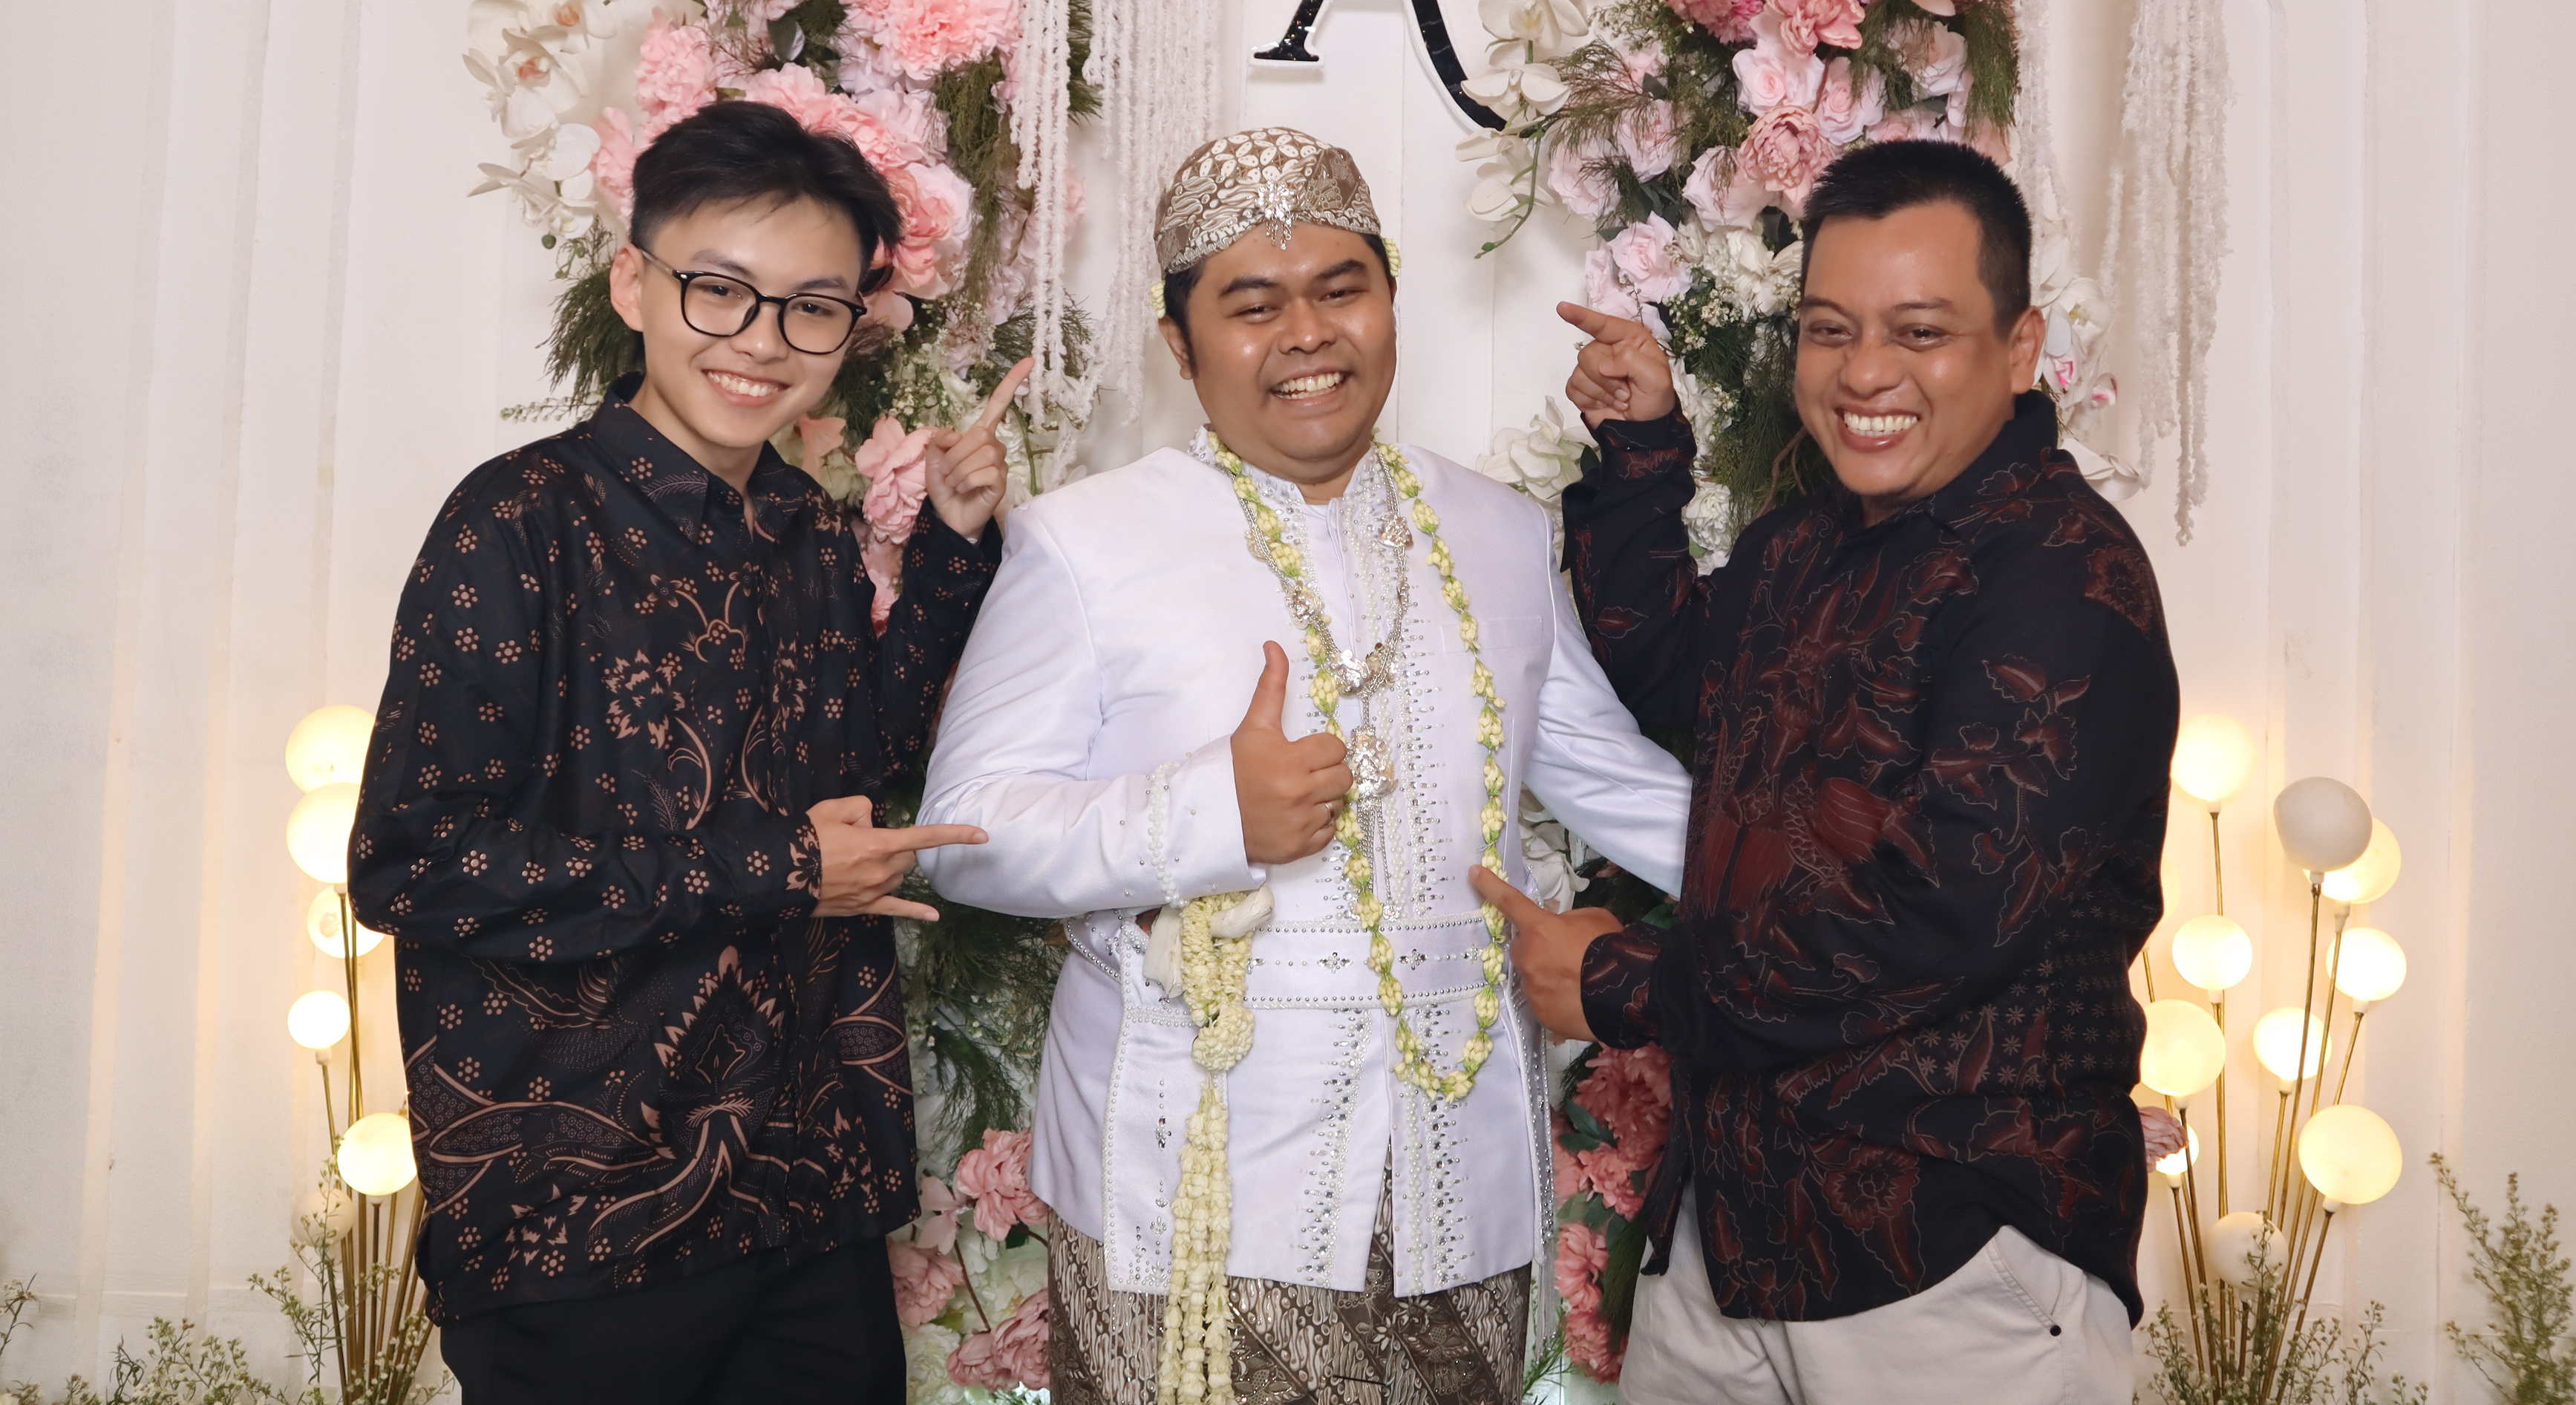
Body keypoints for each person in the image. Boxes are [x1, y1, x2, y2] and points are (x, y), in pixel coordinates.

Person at [913, 127, 1693, 1404]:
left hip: (1456, 1191)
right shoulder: (1085, 545)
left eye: (1342, 289)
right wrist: (1206, 814)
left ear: (1391, 299)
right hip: (1194, 1204)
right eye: (1253, 304)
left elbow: (1618, 784)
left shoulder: (1496, 532)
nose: (1309, 334)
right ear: (1181, 346)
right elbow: (965, 830)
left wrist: (1848, 917)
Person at [1478, 139, 2175, 1404]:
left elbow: (1928, 923)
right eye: (1830, 330)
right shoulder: (1805, 546)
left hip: (1951, 1258)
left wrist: (1622, 981)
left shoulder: (2066, 579)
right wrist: (1642, 450)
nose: (1864, 373)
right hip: (1734, 1243)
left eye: (1921, 332)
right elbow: (1677, 681)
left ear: (2019, 348)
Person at [350, 99, 1023, 1405]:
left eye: (811, 308)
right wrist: (781, 869)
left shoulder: (809, 530)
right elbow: (414, 864)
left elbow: (859, 766)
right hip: (582, 1211)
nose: (762, 342)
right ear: (635, 286)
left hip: (805, 1189)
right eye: (721, 291)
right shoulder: (516, 523)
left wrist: (947, 547)